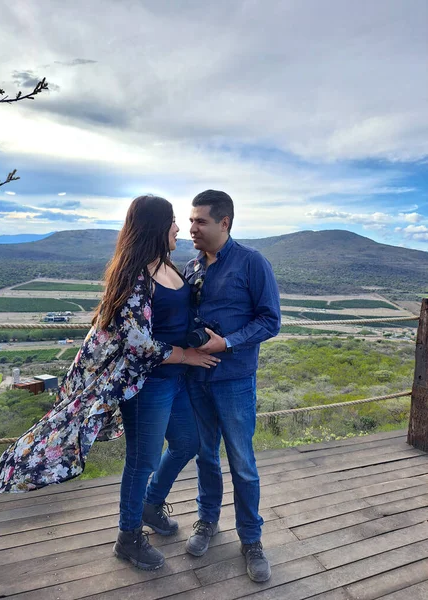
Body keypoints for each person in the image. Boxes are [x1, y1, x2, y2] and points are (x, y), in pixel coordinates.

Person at [0, 195, 220, 571]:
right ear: (155, 228)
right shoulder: (132, 277)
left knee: (188, 442)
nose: (179, 228)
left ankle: (150, 504)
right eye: (174, 221)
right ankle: (127, 538)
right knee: (142, 461)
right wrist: (188, 354)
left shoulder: (167, 265)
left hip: (175, 379)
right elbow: (138, 343)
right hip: (146, 386)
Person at [183, 190, 280, 583]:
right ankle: (207, 521)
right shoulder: (191, 267)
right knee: (206, 455)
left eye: (200, 221)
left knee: (242, 461)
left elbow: (270, 320)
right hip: (196, 378)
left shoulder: (252, 263)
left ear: (224, 223)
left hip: (234, 380)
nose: (192, 228)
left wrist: (227, 342)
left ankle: (251, 539)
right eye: (190, 221)